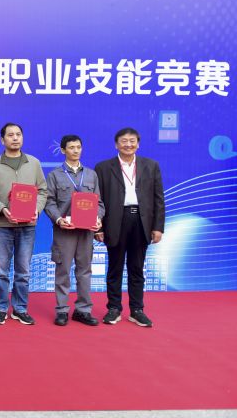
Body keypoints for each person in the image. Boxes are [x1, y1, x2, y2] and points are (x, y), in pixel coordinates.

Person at [95, 127, 165, 328]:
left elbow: (158, 199)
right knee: (114, 268)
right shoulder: (103, 167)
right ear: (116, 144)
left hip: (141, 221)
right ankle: (114, 308)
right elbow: (97, 200)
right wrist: (98, 227)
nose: (128, 144)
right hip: (115, 221)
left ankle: (137, 310)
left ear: (138, 144)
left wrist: (158, 227)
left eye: (132, 141)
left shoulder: (150, 166)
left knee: (137, 268)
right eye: (124, 141)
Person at [0, 123, 47, 325]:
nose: (15, 138)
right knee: (1, 271)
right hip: (3, 225)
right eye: (10, 135)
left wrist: (37, 210)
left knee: (23, 270)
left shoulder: (33, 163)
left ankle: (20, 308)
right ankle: (1, 308)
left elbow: (42, 190)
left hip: (28, 225)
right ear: (3, 140)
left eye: (18, 134)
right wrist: (2, 209)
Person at [44, 135, 104, 327]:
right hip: (65, 231)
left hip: (86, 232)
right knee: (63, 271)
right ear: (63, 150)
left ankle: (83, 310)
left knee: (84, 271)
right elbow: (48, 201)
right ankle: (62, 310)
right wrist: (58, 219)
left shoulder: (91, 175)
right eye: (71, 147)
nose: (76, 150)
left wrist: (98, 219)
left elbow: (99, 203)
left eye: (78, 147)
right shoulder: (54, 175)